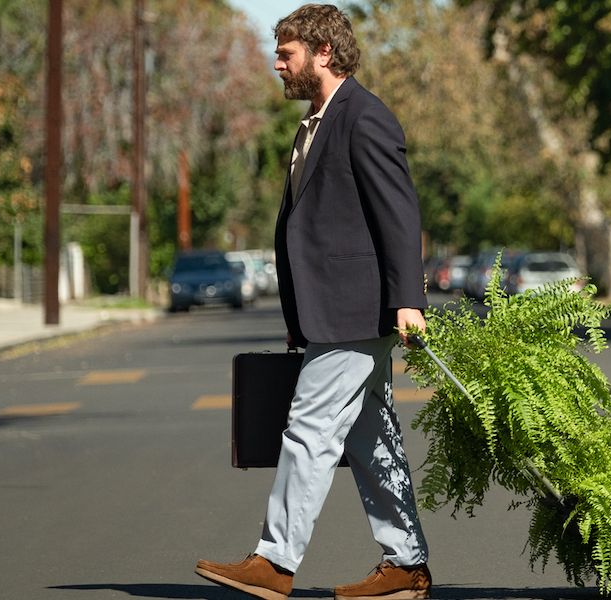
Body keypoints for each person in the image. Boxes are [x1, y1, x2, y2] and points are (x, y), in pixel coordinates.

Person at [195, 4, 432, 600]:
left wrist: (408, 297)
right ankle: (406, 564)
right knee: (369, 436)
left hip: (356, 308)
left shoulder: (364, 117)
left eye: (287, 53)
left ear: (323, 53)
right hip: (335, 308)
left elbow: (399, 215)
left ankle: (274, 561)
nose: (278, 64)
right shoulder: (318, 120)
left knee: (308, 431)